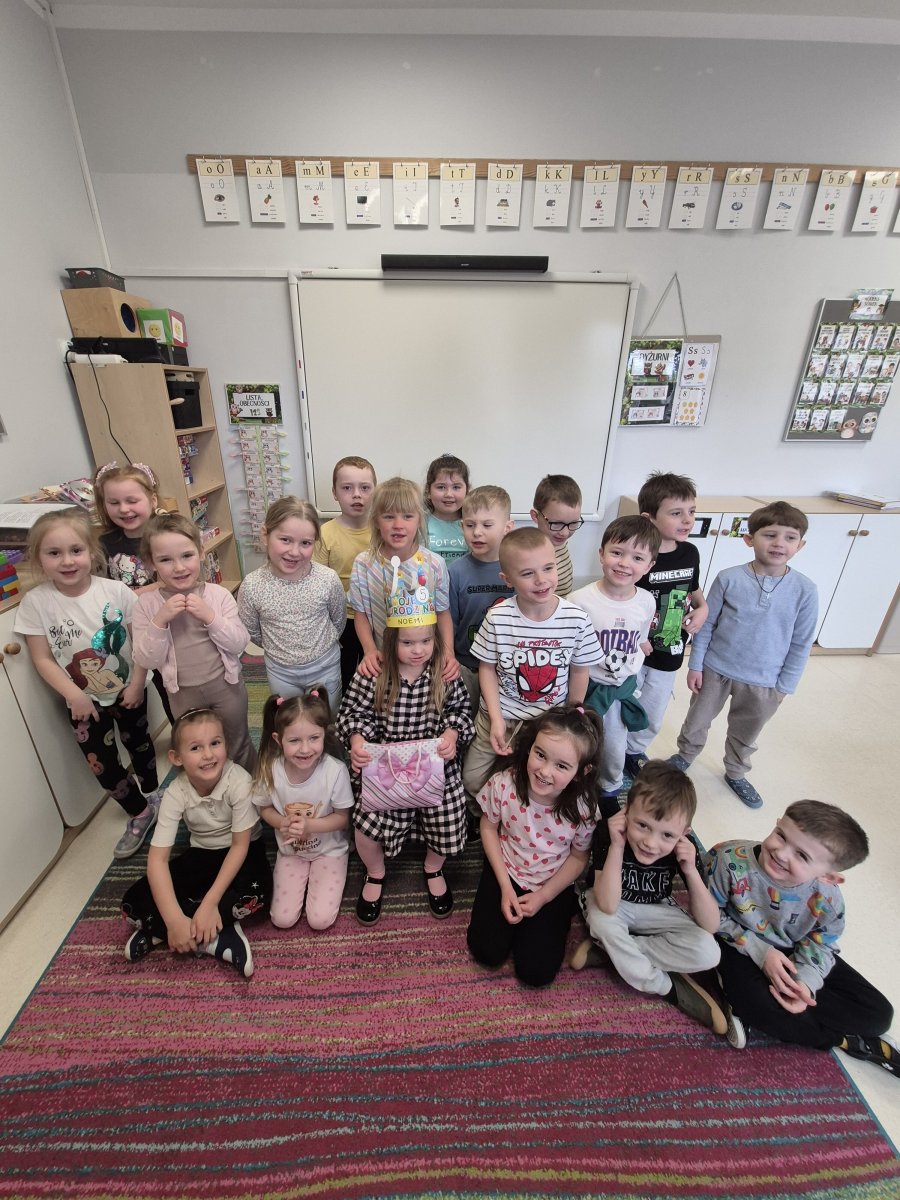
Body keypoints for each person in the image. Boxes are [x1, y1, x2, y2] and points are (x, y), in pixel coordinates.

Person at [705, 800, 896, 1072]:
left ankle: (772, 1010)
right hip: (736, 941)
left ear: (829, 877)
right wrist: (762, 953)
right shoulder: (727, 860)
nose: (781, 853)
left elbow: (821, 943)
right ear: (777, 823)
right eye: (781, 835)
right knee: (756, 1003)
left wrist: (805, 984)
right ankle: (842, 1040)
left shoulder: (828, 899)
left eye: (802, 856)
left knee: (878, 1015)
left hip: (794, 948)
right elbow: (709, 915)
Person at [14, 509, 162, 859]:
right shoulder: (36, 603)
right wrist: (73, 694)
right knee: (102, 763)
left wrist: (137, 683)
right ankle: (139, 811)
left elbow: (140, 642)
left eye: (76, 550)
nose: (67, 561)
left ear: (91, 552)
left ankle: (153, 794)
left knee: (140, 745)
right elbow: (42, 658)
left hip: (129, 690)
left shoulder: (116, 591)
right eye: (54, 553)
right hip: (82, 702)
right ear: (38, 557)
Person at [336, 588, 475, 926]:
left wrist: (452, 734)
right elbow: (352, 713)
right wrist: (357, 740)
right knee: (366, 825)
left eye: (425, 641)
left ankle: (433, 868)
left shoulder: (443, 673)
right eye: (408, 643)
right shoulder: (374, 673)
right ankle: (375, 872)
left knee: (449, 816)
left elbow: (460, 711)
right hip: (385, 768)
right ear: (390, 642)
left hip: (434, 766)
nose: (418, 650)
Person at [670, 501, 818, 808]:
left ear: (801, 545)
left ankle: (736, 771)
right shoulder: (729, 578)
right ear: (749, 539)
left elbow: (801, 642)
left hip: (765, 681)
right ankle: (686, 754)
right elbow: (707, 624)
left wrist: (784, 686)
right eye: (770, 535)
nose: (779, 543)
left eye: (790, 538)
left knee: (746, 731)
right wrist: (695, 665)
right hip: (715, 670)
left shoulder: (805, 590)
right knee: (697, 720)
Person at [571, 761, 725, 1032]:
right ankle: (667, 987)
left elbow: (711, 925)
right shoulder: (610, 831)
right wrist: (617, 845)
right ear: (627, 812)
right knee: (603, 921)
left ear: (684, 835)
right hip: (615, 905)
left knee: (710, 952)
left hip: (658, 908)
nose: (651, 843)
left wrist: (691, 870)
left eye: (667, 835)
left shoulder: (684, 848)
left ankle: (611, 951)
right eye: (642, 825)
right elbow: (607, 904)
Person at [121, 709, 272, 977]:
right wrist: (173, 920)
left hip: (243, 851)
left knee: (259, 894)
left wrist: (210, 903)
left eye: (215, 743)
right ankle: (211, 937)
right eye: (195, 748)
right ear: (176, 758)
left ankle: (169, 932)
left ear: (226, 745)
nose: (208, 754)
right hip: (201, 852)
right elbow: (157, 860)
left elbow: (240, 846)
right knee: (130, 905)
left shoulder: (239, 781)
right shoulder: (175, 792)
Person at [466, 706, 602, 987]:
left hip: (552, 882)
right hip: (506, 869)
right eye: (540, 755)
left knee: (536, 972)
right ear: (529, 748)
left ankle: (563, 908)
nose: (544, 771)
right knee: (486, 951)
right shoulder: (503, 784)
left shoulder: (584, 809)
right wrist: (505, 886)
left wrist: (544, 896)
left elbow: (579, 857)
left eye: (562, 766)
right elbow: (488, 828)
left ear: (581, 772)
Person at [462, 527, 602, 797]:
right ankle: (486, 812)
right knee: (472, 780)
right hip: (499, 715)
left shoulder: (576, 619)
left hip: (547, 721)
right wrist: (496, 718)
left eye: (548, 568)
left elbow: (580, 670)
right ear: (507, 579)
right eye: (527, 573)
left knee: (535, 785)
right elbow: (486, 669)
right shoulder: (497, 617)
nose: (541, 580)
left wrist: (574, 714)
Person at [132, 513, 256, 772]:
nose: (179, 567)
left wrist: (210, 617)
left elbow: (238, 643)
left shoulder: (218, 595)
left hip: (226, 686)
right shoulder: (146, 604)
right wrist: (160, 621)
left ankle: (248, 788)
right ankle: (210, 790)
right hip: (181, 694)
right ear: (151, 563)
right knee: (197, 749)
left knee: (237, 742)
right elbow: (146, 659)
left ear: (201, 553)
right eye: (165, 560)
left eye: (187, 555)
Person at [623, 471, 709, 779]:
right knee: (623, 705)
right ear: (649, 518)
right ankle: (613, 750)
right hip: (634, 649)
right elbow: (621, 597)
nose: (687, 520)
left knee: (653, 712)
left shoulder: (690, 552)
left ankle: (634, 752)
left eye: (691, 511)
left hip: (670, 648)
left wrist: (703, 607)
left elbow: (693, 588)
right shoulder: (637, 555)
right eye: (676, 513)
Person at [570, 516, 659, 801]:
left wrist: (642, 647)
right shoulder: (578, 601)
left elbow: (640, 636)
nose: (624, 563)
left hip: (620, 690)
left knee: (613, 748)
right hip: (586, 687)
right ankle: (572, 789)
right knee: (578, 743)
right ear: (601, 553)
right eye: (617, 552)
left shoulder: (646, 601)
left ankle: (609, 790)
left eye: (637, 558)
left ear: (649, 565)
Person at [252, 689, 353, 931]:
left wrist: (310, 825)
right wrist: (281, 822)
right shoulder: (270, 770)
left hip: (330, 851)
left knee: (320, 920)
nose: (305, 749)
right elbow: (264, 808)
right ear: (278, 740)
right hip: (291, 852)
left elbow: (343, 818)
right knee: (281, 919)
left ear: (324, 734)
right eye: (294, 740)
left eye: (314, 738)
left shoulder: (335, 771)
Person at [238, 496, 346, 710]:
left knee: (328, 716)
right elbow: (252, 630)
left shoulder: (327, 579)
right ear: (265, 535)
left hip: (326, 666)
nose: (295, 552)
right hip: (281, 672)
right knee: (288, 720)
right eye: (285, 540)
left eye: (305, 543)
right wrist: (280, 650)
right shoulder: (252, 585)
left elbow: (338, 620)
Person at [348, 476, 457, 681]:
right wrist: (370, 650)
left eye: (407, 516)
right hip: (383, 661)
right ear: (376, 520)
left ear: (419, 520)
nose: (398, 525)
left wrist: (448, 652)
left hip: (425, 661)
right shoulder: (363, 564)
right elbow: (360, 614)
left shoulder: (434, 564)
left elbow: (442, 613)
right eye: (389, 516)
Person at [92, 459, 174, 722]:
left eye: (132, 500)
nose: (124, 509)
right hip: (132, 631)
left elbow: (174, 581)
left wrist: (130, 596)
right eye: (114, 502)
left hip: (172, 627)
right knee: (154, 688)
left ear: (152, 499)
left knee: (176, 687)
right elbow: (102, 590)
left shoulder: (168, 535)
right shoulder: (104, 543)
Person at [448, 484, 515, 710]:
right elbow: (449, 622)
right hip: (465, 667)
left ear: (507, 527)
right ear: (461, 526)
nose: (477, 532)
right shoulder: (455, 572)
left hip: (507, 669)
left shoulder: (517, 569)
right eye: (470, 525)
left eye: (487, 525)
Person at [313, 455, 377, 688]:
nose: (357, 495)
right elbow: (318, 582)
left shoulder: (383, 531)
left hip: (377, 616)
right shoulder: (325, 533)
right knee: (345, 672)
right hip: (342, 618)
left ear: (375, 491)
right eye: (347, 488)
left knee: (376, 671)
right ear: (334, 492)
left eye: (365, 488)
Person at [530, 474, 584, 597]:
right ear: (535, 516)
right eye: (556, 523)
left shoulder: (558, 540)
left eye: (573, 523)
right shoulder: (531, 552)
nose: (565, 533)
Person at [425, 452, 470, 561]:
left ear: (467, 490)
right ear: (428, 491)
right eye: (441, 487)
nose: (449, 494)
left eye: (456, 487)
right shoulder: (420, 524)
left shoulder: (474, 524)